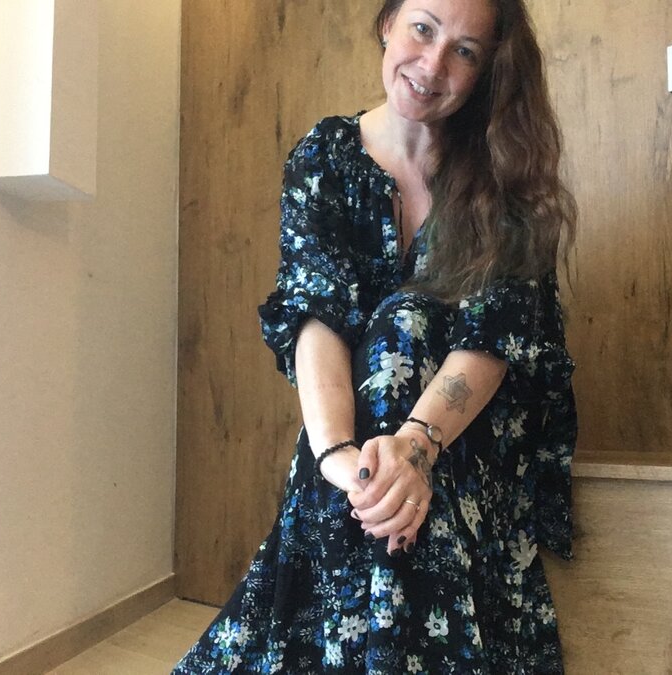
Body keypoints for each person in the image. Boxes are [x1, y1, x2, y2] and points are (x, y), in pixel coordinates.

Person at [173, 0, 578, 671]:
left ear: (485, 71)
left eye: (465, 51)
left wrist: (415, 448)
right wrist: (341, 459)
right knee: (380, 381)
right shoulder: (325, 156)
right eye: (423, 28)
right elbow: (316, 315)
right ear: (387, 23)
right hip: (358, 430)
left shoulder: (504, 172)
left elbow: (494, 338)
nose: (434, 64)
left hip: (470, 429)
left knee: (404, 324)